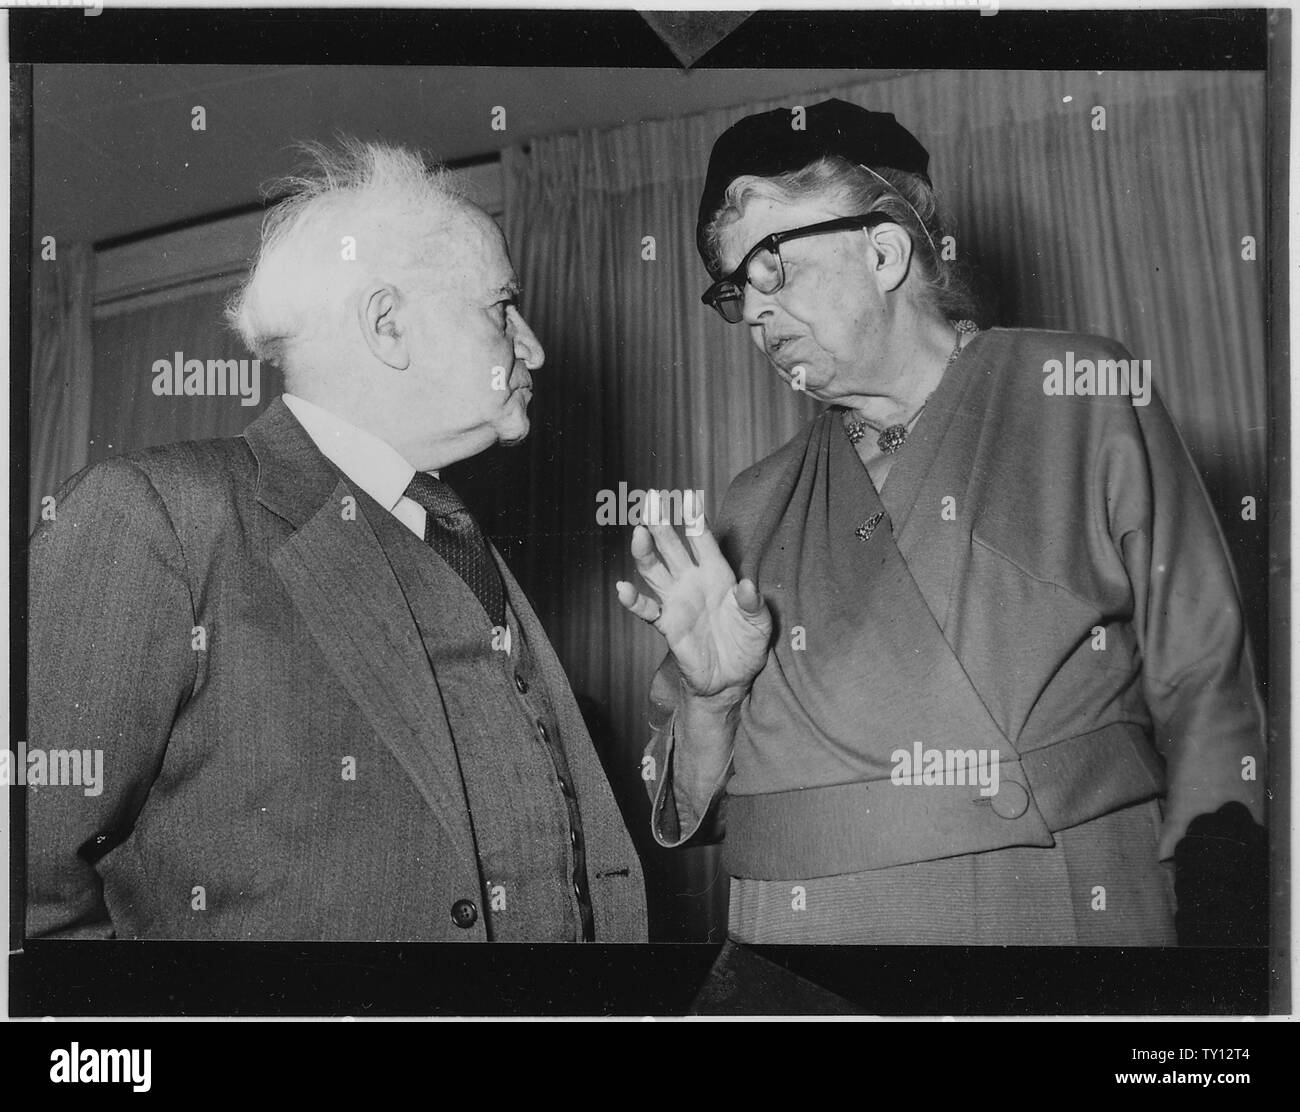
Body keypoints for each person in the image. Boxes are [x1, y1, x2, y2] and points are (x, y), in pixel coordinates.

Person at [616, 99, 1267, 945]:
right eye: (735, 289)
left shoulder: (1076, 391)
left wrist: (1223, 913)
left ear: (883, 250)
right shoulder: (751, 500)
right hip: (795, 930)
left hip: (1047, 898)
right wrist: (713, 697)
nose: (754, 314)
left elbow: (1205, 672)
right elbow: (689, 806)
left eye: (771, 264)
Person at [27, 139, 647, 942]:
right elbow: (25, 893)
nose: (532, 346)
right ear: (388, 325)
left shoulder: (454, 537)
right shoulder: (160, 519)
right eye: (502, 307)